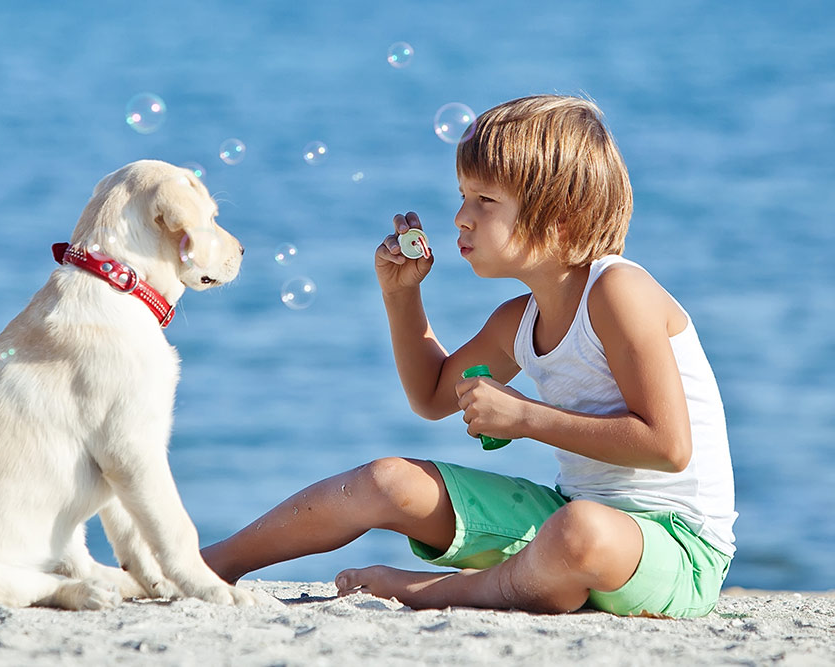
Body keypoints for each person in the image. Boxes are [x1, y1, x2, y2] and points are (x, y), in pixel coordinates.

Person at [202, 95, 736, 617]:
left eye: (485, 200)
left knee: (580, 534)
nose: (460, 217)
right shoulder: (517, 321)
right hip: (568, 519)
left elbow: (668, 446)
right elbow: (433, 396)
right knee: (386, 480)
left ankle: (428, 590)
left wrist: (527, 417)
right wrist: (401, 295)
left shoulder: (620, 292)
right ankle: (207, 564)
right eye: (463, 196)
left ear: (561, 223)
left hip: (676, 546)